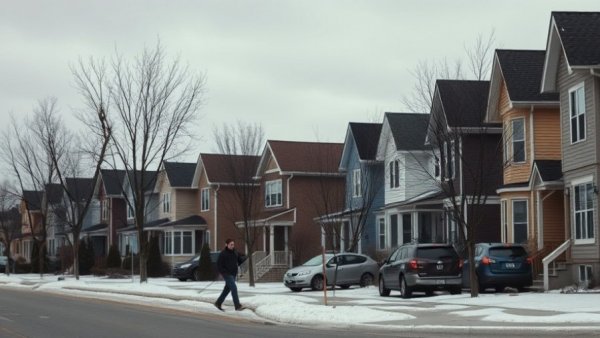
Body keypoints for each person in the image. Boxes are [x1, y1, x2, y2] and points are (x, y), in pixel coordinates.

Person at [214, 238, 246, 311]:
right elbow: (219, 265)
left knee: (227, 290)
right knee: (234, 288)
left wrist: (244, 258)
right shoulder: (223, 254)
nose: (232, 246)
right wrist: (223, 272)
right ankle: (237, 306)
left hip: (233, 274)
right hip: (227, 274)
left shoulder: (235, 253)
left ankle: (218, 303)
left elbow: (239, 261)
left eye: (233, 245)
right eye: (231, 244)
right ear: (226, 245)